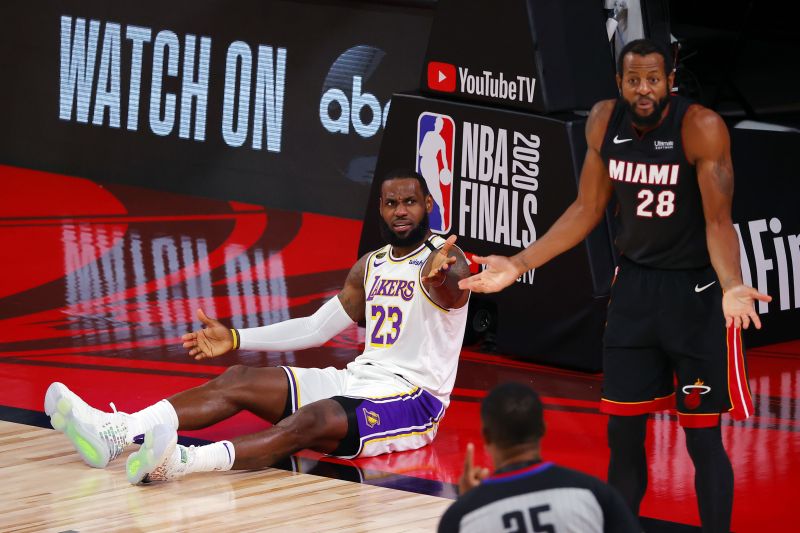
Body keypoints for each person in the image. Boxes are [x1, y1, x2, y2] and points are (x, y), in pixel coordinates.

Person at [458, 39, 771, 532]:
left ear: (671, 81)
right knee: (623, 435)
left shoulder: (700, 127)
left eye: (653, 79)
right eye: (633, 80)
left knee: (702, 440)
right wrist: (517, 264)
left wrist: (731, 283)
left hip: (693, 294)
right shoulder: (605, 121)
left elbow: (718, 222)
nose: (643, 90)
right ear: (619, 83)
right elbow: (586, 210)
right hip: (634, 293)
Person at [44, 170, 471, 484]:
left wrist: (441, 279)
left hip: (414, 399)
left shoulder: (449, 259)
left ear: (428, 206)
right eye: (391, 203)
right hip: (359, 379)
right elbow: (315, 329)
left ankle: (179, 463)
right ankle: (115, 433)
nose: (400, 211)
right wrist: (235, 338)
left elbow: (454, 291)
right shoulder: (372, 265)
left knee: (312, 417)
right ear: (380, 208)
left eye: (410, 202)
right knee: (240, 379)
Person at [438, 382, 639, 533]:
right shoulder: (594, 494)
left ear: (486, 436)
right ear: (543, 428)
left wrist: (469, 501)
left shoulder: (461, 518)